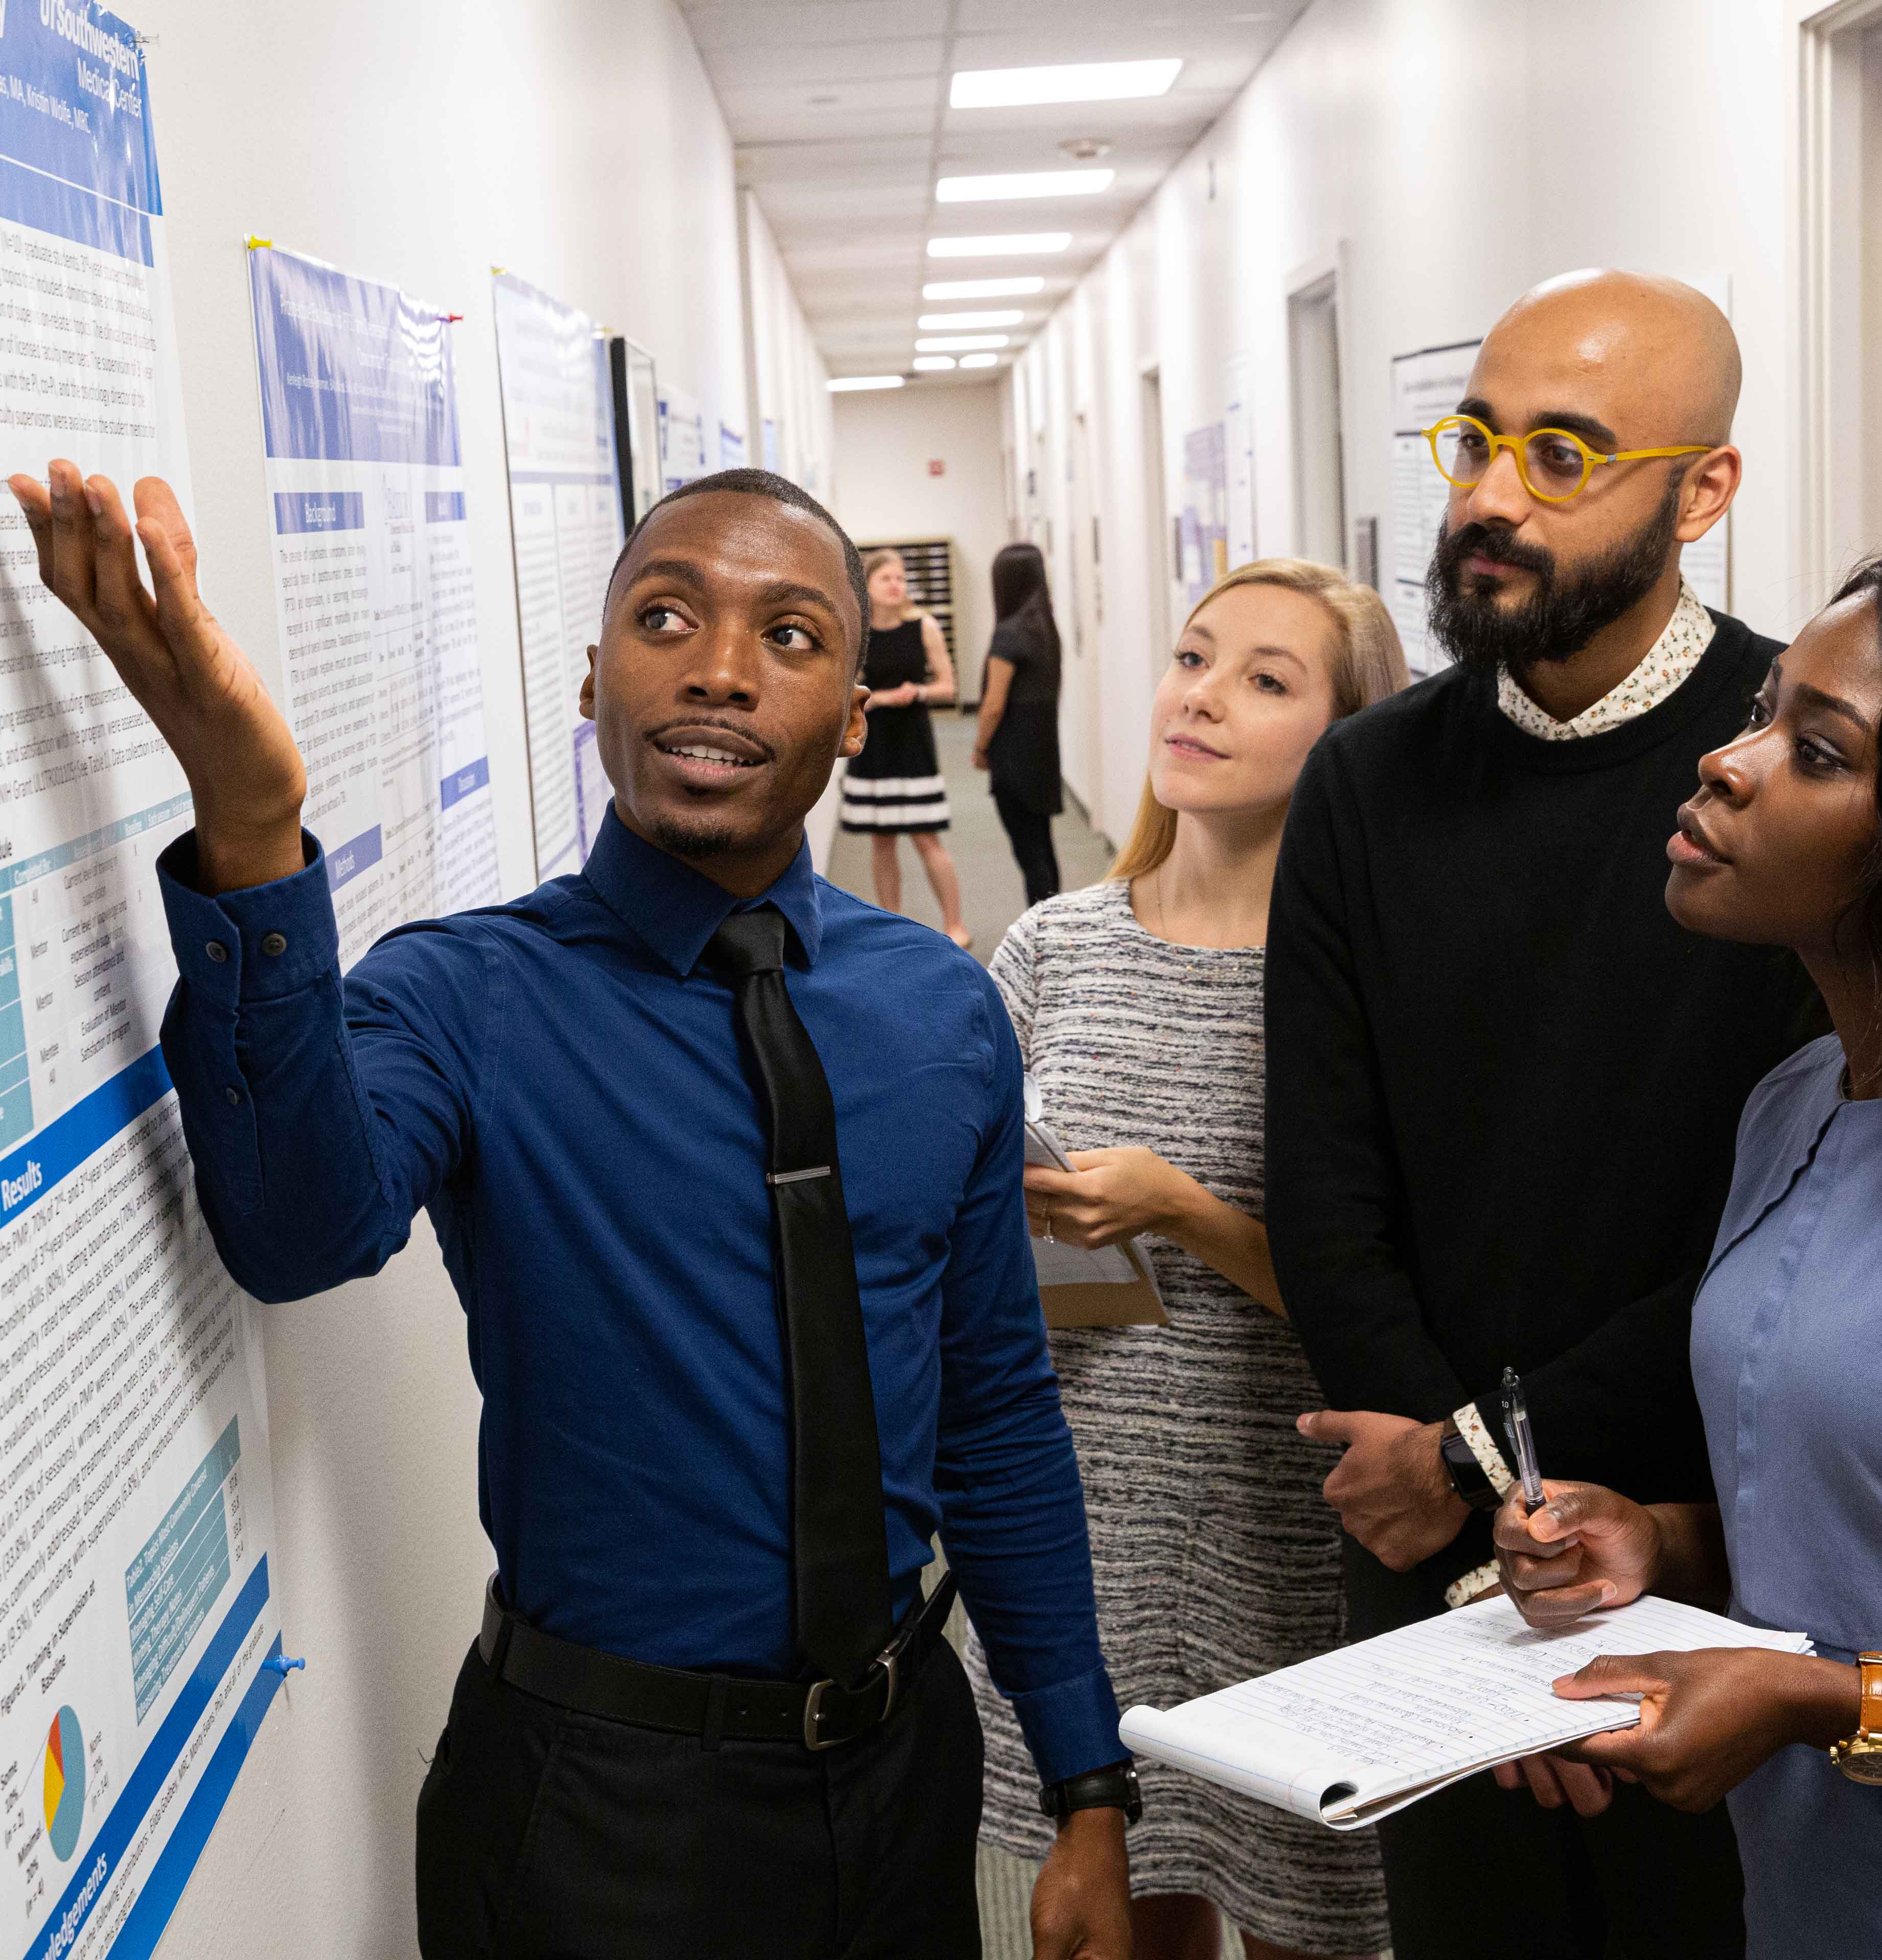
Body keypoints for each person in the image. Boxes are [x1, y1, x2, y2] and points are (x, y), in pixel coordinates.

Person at [7, 459, 1136, 1960]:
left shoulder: (940, 1012)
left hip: (903, 1767)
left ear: (858, 718)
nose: (721, 670)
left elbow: (995, 1410)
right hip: (600, 1805)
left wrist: (1087, 1786)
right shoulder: (468, 993)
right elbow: (296, 1230)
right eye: (668, 617)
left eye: (792, 636)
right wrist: (253, 820)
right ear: (596, 680)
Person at [1263, 270, 1824, 1958]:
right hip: (1429, 1564)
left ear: (1703, 489)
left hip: (1725, 1552)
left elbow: (1799, 1225)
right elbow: (1323, 1185)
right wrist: (1455, 1504)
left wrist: (1479, 1454)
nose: (1495, 496)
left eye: (1564, 454)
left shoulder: (1807, 777)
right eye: (1479, 441)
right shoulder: (1365, 781)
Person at [1490, 538, 1882, 1957]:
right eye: (1761, 710)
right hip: (1816, 1902)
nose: (1729, 763)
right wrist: (1661, 1542)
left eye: (1814, 751)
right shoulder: (1794, 1105)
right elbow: (1853, 1516)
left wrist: (1820, 1702)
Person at [966, 560, 1405, 1960]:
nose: (1200, 697)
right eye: (1192, 655)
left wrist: (1180, 1211)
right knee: (1119, 1913)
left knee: (1304, 1918)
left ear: (1346, 734)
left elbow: (1397, 1304)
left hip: (1293, 1530)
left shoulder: (1362, 982)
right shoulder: (1052, 946)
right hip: (1086, 1509)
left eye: (1265, 680)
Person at [839, 548, 970, 947]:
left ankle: (955, 925)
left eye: (901, 578)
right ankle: (891, 925)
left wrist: (919, 691)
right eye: (886, 579)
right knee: (882, 840)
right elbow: (847, 691)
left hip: (913, 740)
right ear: (869, 586)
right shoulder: (858, 634)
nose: (896, 585)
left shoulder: (924, 626)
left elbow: (950, 686)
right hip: (873, 742)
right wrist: (878, 699)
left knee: (927, 838)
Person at [974, 540, 1064, 904]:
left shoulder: (1008, 633)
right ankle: (1054, 921)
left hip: (1013, 753)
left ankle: (1041, 934)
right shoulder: (1045, 629)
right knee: (1043, 845)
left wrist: (981, 748)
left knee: (1029, 854)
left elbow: (993, 705)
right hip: (1042, 750)